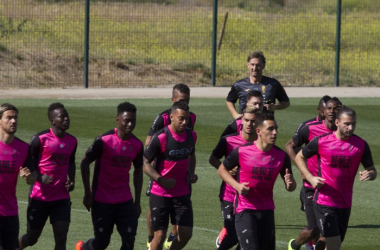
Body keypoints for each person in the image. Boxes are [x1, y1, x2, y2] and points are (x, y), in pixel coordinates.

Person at [292, 106, 376, 250]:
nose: (350, 128)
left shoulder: (361, 145)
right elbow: (299, 157)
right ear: (337, 122)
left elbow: (372, 170)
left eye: (353, 124)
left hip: (345, 203)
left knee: (329, 243)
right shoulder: (321, 141)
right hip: (324, 201)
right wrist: (310, 177)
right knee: (334, 244)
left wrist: (370, 174)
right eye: (347, 124)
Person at [218, 113, 296, 249]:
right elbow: (222, 169)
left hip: (267, 211)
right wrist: (237, 186)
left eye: (276, 128)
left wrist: (290, 184)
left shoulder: (281, 156)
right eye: (270, 129)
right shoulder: (242, 151)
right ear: (258, 131)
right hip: (245, 210)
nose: (275, 133)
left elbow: (291, 187)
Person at [75, 102, 144, 250]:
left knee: (129, 242)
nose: (130, 124)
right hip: (102, 200)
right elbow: (84, 163)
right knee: (102, 243)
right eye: (127, 121)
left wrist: (137, 202)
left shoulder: (137, 144)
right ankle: (83, 248)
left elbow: (138, 171)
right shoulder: (104, 140)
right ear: (118, 120)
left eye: (133, 121)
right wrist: (88, 194)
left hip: (124, 201)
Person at [145, 83, 196, 249]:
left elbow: (191, 153)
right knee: (159, 236)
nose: (185, 121)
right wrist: (160, 178)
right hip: (161, 188)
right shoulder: (162, 131)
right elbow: (145, 159)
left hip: (181, 190)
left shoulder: (191, 134)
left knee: (186, 233)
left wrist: (191, 173)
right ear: (172, 116)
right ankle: (150, 236)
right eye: (181, 118)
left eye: (186, 118)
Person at [20, 103, 77, 250]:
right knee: (31, 239)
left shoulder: (72, 141)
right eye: (62, 117)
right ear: (52, 121)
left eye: (67, 116)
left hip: (61, 199)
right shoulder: (40, 139)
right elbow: (26, 161)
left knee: (61, 238)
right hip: (39, 197)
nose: (66, 119)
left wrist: (72, 180)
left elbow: (71, 162)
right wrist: (39, 177)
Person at [286, 98, 341, 250]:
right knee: (314, 229)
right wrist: (303, 170)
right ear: (322, 111)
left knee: (327, 230)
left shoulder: (342, 132)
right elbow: (290, 146)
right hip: (310, 185)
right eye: (329, 108)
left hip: (330, 188)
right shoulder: (310, 128)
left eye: (336, 108)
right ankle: (294, 246)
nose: (331, 111)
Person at [209, 107, 260, 250]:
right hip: (229, 195)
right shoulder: (228, 141)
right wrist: (226, 169)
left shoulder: (261, 143)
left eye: (253, 121)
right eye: (246, 120)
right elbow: (213, 159)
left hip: (250, 198)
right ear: (241, 121)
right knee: (233, 234)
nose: (249, 124)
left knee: (249, 236)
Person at [0, 103, 36, 250]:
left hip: (10, 212)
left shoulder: (24, 148)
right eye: (9, 118)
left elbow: (33, 177)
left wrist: (28, 177)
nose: (13, 121)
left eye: (15, 118)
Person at [226, 51, 290, 119]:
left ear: (263, 65)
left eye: (258, 65)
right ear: (248, 65)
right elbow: (229, 100)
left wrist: (275, 106)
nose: (255, 68)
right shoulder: (239, 85)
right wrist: (235, 115)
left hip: (265, 124)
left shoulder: (273, 84)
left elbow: (286, 102)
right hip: (247, 124)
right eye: (252, 64)